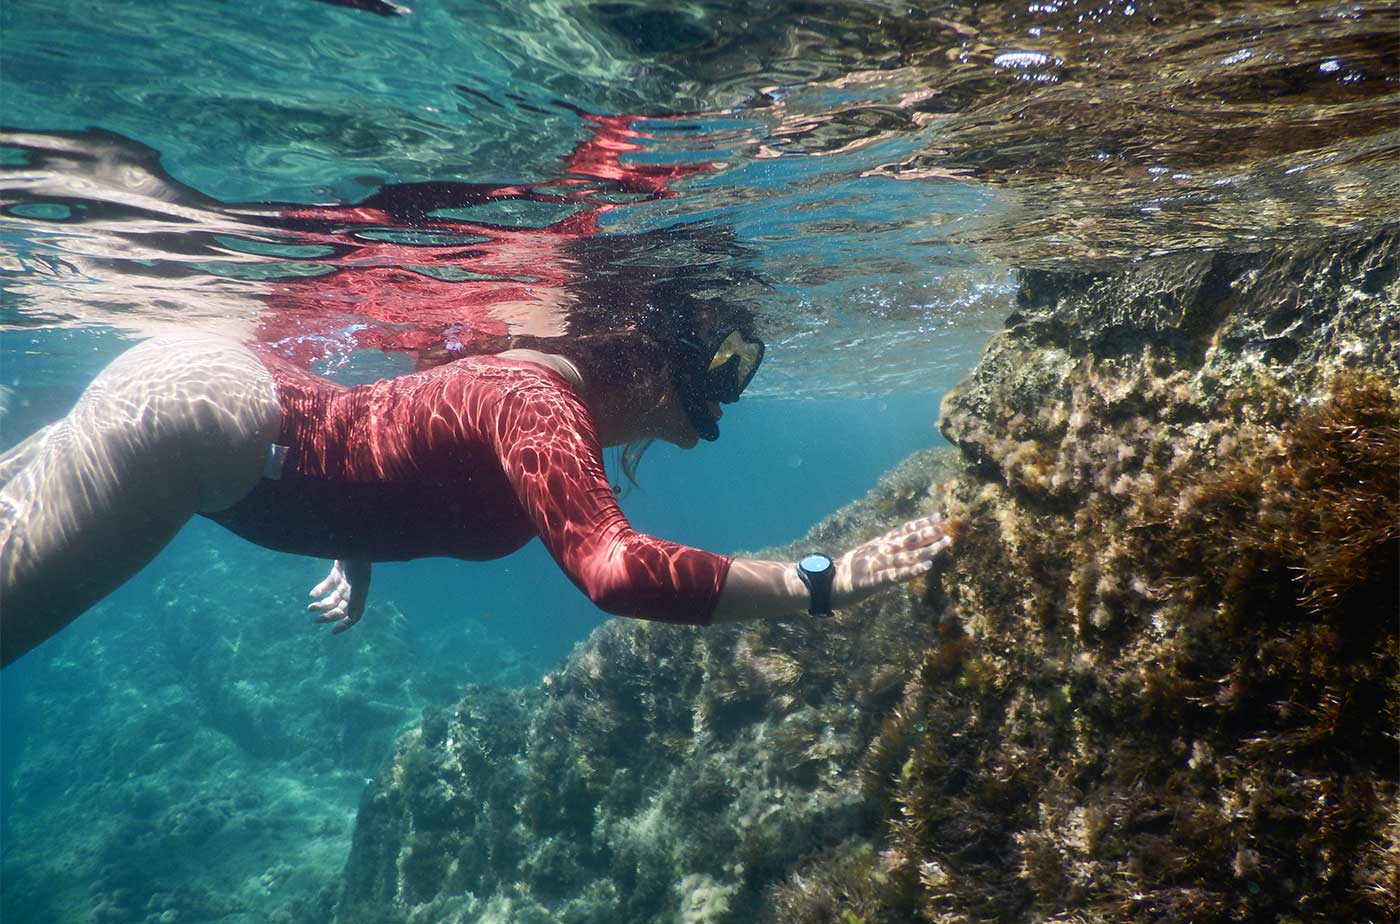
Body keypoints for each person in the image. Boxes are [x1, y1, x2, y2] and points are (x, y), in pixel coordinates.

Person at [0, 302, 953, 668]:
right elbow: (614, 571)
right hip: (193, 425)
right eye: (718, 364)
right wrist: (821, 583)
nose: (724, 396)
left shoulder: (520, 391)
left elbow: (382, 431)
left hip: (217, 398)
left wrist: (354, 538)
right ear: (639, 344)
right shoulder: (539, 400)